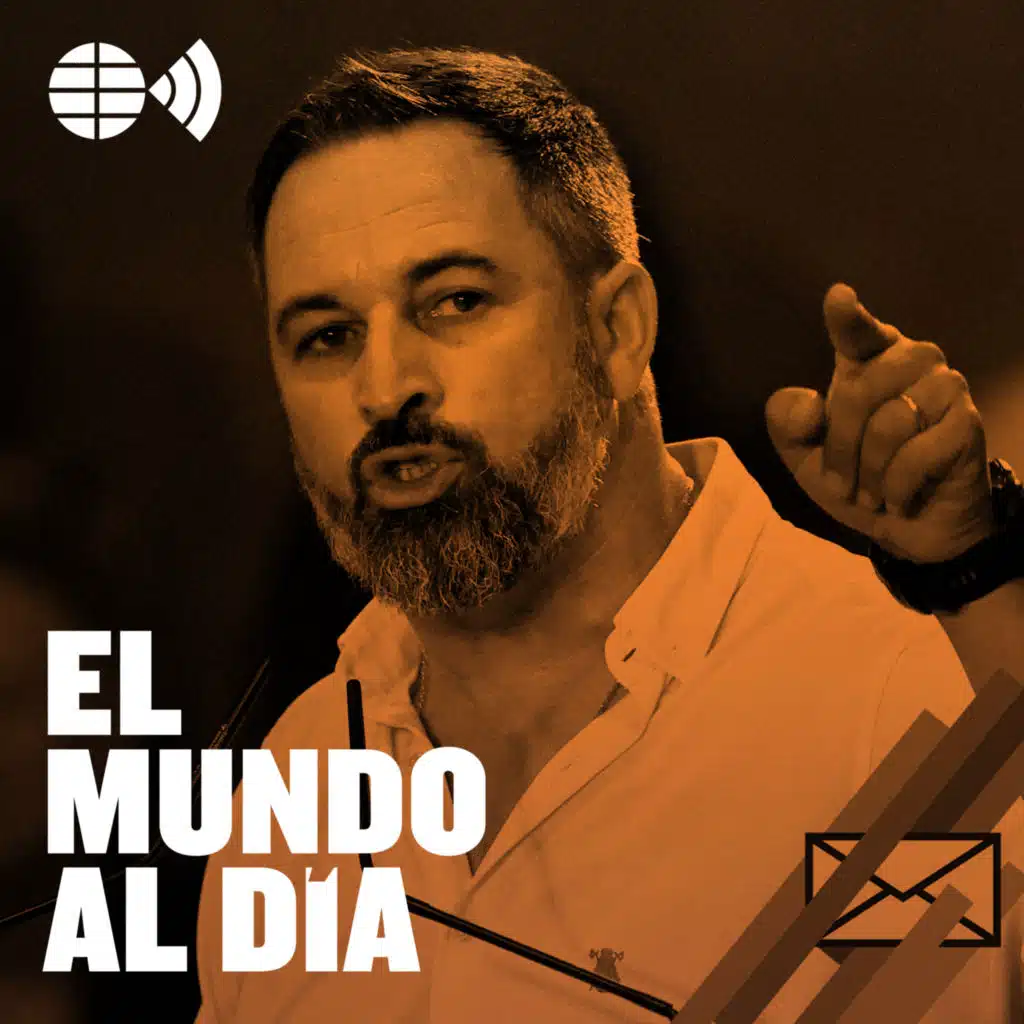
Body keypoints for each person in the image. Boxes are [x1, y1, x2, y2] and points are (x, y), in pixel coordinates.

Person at [195, 47, 1023, 1022]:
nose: (385, 387)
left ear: (620, 329)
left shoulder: (882, 700)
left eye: (455, 301)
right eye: (327, 335)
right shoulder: (293, 790)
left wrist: (976, 568)